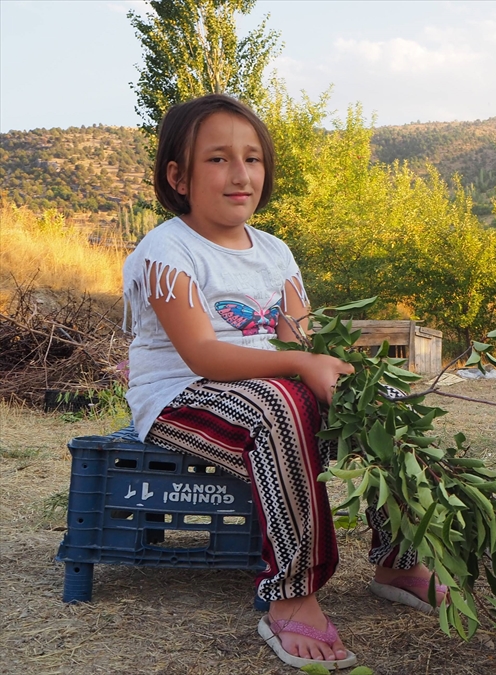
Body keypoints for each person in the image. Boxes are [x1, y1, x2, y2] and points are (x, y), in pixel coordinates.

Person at [122, 93, 445, 671]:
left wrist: (333, 370)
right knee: (278, 408)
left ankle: (398, 560)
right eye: (218, 159)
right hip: (181, 396)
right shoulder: (167, 250)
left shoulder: (275, 252)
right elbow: (203, 355)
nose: (241, 174)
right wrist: (300, 367)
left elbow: (299, 340)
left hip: (270, 384)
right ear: (178, 175)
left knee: (382, 402)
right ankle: (292, 591)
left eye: (253, 158)